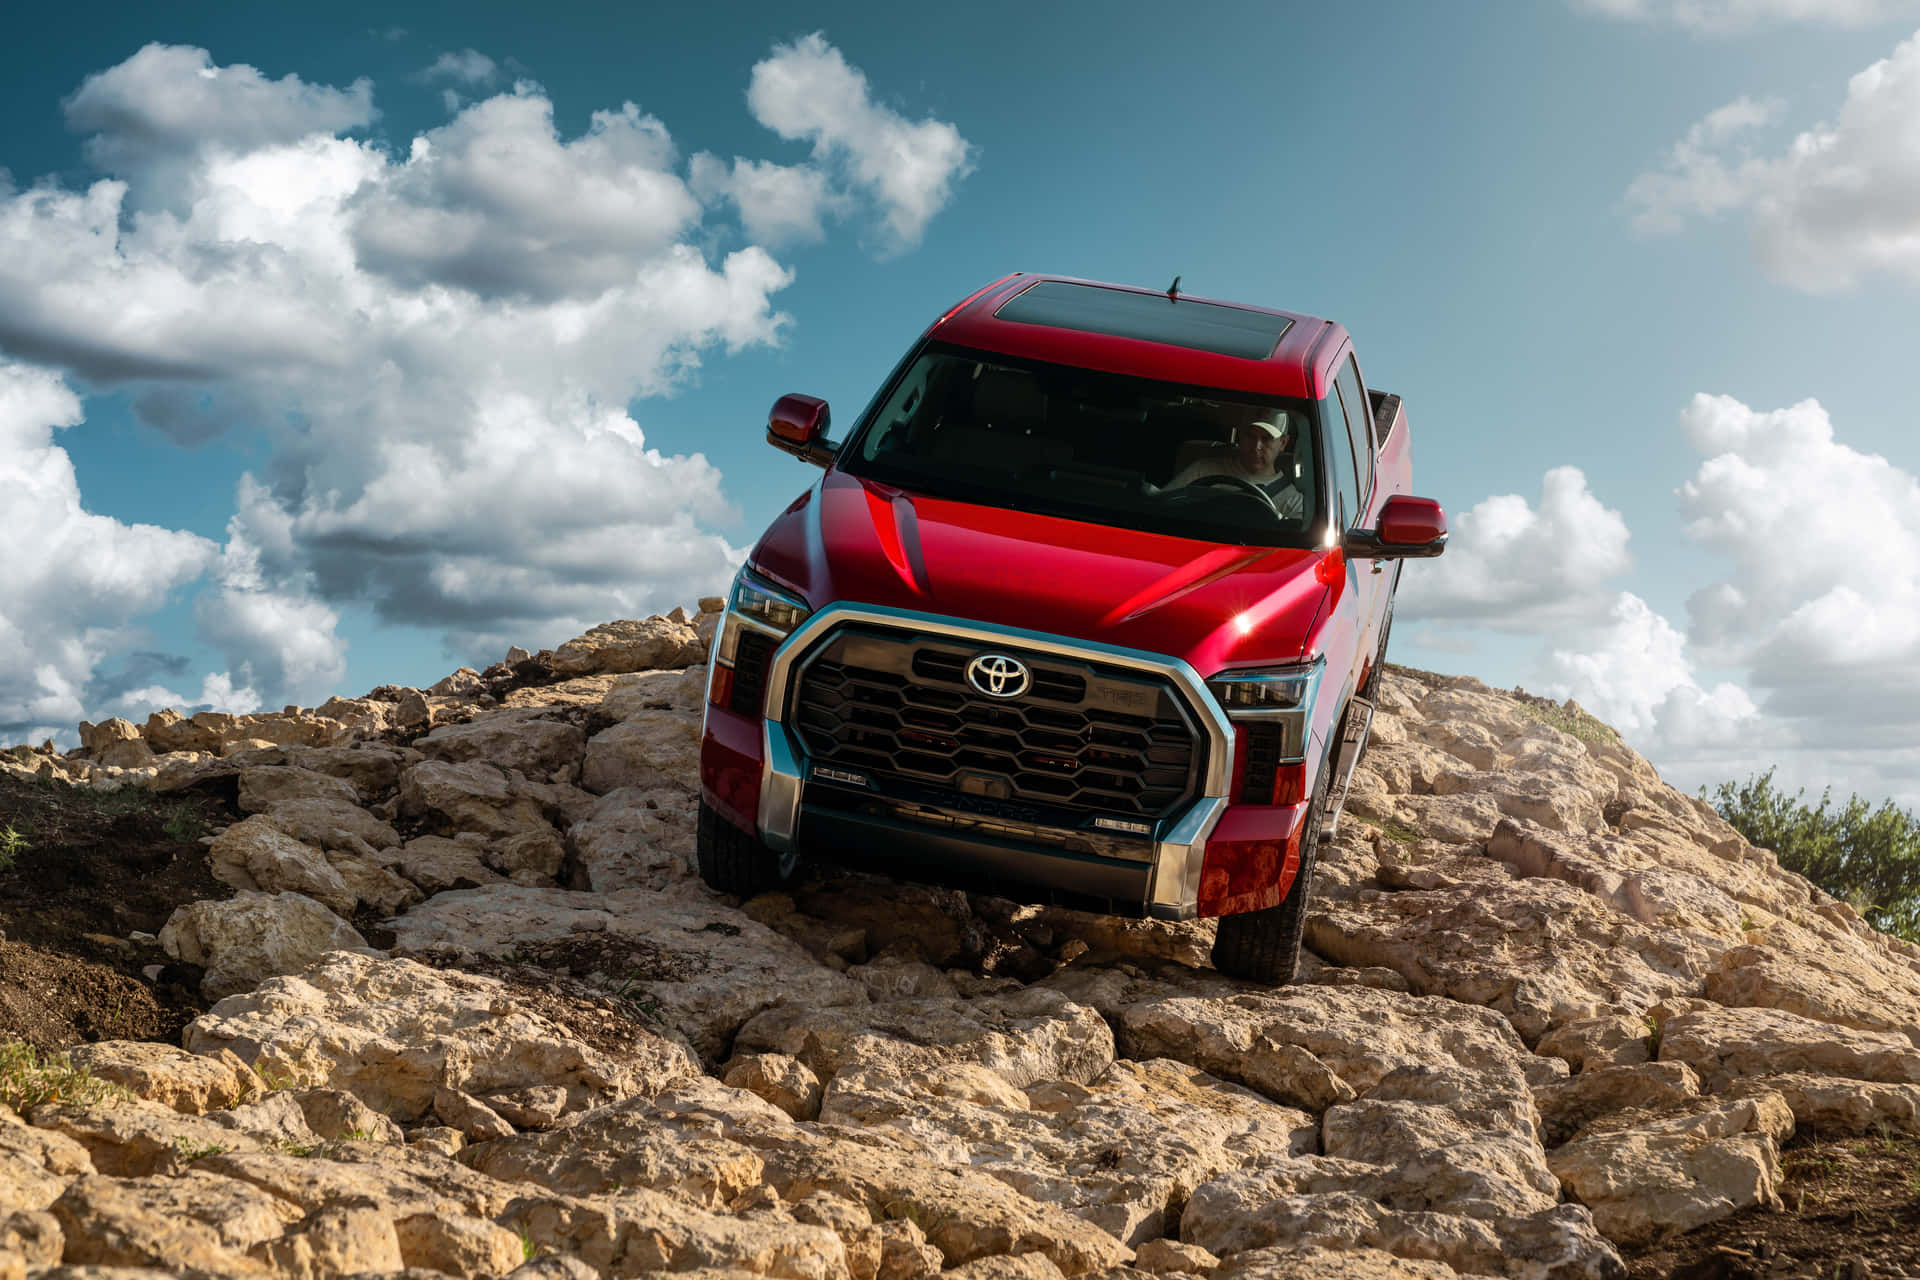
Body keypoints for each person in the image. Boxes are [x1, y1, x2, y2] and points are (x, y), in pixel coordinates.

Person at [1165, 412, 1305, 518]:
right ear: (1240, 436)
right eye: (1250, 436)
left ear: (1283, 443)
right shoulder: (1202, 470)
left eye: (1266, 438)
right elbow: (1162, 504)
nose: (1256, 446)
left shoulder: (1291, 502)